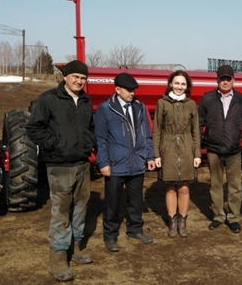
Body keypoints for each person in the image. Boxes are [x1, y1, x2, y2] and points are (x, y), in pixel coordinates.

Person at [26, 60, 95, 282]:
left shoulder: (85, 100)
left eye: (83, 78)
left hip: (82, 164)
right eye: (75, 76)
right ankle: (58, 258)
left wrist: (89, 143)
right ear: (65, 77)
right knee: (61, 212)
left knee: (81, 208)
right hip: (59, 166)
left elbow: (90, 128)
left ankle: (76, 248)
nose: (79, 81)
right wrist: (55, 144)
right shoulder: (49, 99)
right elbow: (33, 128)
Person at [94, 73, 156, 252]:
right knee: (112, 203)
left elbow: (146, 135)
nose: (132, 93)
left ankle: (135, 230)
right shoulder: (105, 109)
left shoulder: (140, 107)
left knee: (136, 200)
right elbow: (101, 138)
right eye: (128, 90)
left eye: (134, 90)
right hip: (115, 164)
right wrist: (103, 162)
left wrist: (149, 157)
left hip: (136, 163)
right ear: (117, 90)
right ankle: (110, 236)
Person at [198, 65, 242, 234]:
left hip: (233, 150)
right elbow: (199, 123)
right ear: (217, 80)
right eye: (222, 79)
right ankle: (218, 216)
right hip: (213, 149)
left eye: (228, 79)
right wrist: (198, 144)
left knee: (235, 185)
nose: (225, 82)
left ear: (233, 80)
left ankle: (233, 217)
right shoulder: (207, 98)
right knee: (215, 185)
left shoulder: (241, 99)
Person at [153, 70, 201, 238]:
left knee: (184, 187)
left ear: (187, 86)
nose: (179, 86)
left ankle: (183, 221)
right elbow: (157, 130)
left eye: (183, 84)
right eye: (177, 83)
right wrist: (157, 154)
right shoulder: (162, 103)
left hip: (187, 147)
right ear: (170, 84)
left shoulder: (191, 105)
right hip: (168, 146)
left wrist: (197, 154)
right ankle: (172, 221)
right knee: (170, 187)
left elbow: (196, 131)